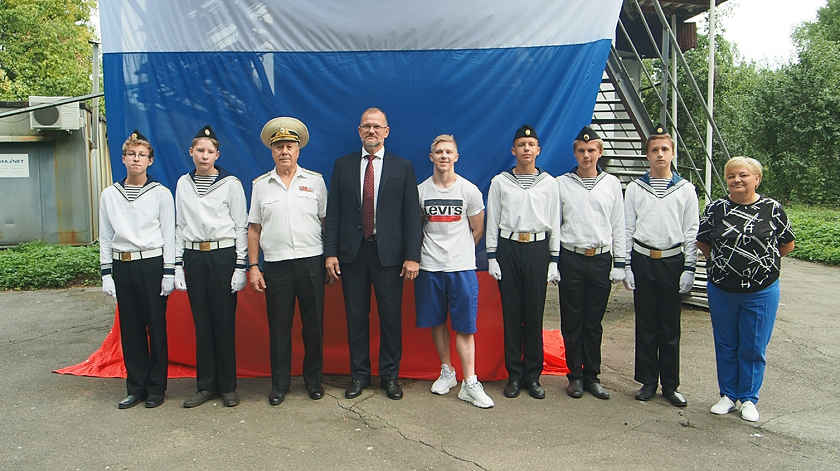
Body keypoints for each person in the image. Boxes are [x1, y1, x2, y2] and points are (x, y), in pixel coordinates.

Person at [323, 107, 422, 401]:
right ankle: (359, 375)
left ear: (386, 132)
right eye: (366, 126)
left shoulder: (402, 167)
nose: (371, 131)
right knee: (356, 317)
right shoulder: (343, 165)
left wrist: (412, 256)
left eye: (377, 126)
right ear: (359, 131)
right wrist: (330, 253)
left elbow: (412, 216)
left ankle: (389, 377)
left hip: (389, 256)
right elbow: (334, 213)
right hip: (352, 254)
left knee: (390, 317)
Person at [697, 156, 795, 422]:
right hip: (722, 290)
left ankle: (749, 399)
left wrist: (760, 264)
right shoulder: (716, 209)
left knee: (753, 346)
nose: (737, 180)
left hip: (761, 291)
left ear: (757, 179)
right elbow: (703, 242)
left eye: (743, 175)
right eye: (731, 176)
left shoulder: (772, 209)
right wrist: (725, 264)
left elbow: (787, 244)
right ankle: (728, 396)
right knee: (726, 344)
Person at [248, 117, 328, 406]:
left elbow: (326, 222)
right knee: (279, 328)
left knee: (313, 326)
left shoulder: (315, 182)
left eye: (289, 146)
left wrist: (329, 259)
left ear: (298, 150)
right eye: (279, 146)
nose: (284, 151)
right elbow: (254, 228)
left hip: (311, 262)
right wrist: (254, 267)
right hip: (277, 265)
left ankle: (314, 382)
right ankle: (279, 385)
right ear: (272, 152)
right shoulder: (261, 186)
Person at [623, 124, 699, 407]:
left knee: (669, 326)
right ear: (647, 155)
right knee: (645, 323)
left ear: (673, 153)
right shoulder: (635, 188)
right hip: (643, 259)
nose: (660, 154)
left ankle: (670, 385)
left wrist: (689, 268)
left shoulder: (685, 189)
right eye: (654, 149)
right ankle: (647, 381)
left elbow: (691, 230)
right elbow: (627, 227)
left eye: (665, 149)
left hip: (672, 262)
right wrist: (626, 265)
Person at [416, 134, 493, 408]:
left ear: (456, 157)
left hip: (461, 268)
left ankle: (469, 382)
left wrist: (460, 253)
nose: (444, 156)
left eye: (448, 152)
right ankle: (447, 372)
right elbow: (418, 227)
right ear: (431, 157)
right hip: (430, 267)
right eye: (439, 152)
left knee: (465, 326)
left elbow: (478, 229)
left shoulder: (469, 190)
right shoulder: (420, 191)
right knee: (437, 322)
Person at [99, 129, 175, 409]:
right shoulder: (110, 195)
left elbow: (169, 234)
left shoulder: (161, 193)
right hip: (123, 264)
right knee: (131, 329)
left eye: (142, 155)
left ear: (150, 161)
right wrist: (106, 272)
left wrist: (169, 272)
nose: (136, 159)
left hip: (151, 263)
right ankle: (136, 387)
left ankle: (156, 388)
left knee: (156, 327)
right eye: (131, 154)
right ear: (123, 158)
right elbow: (105, 235)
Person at [173, 125, 248, 408]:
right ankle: (206, 386)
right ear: (191, 152)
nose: (204, 156)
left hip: (222, 256)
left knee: (223, 322)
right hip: (195, 256)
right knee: (202, 323)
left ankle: (228, 387)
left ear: (218, 155)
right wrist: (177, 265)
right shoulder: (183, 183)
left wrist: (240, 265)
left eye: (210, 151)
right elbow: (180, 225)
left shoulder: (231, 184)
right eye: (200, 151)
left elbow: (240, 226)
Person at [486, 124, 560, 400]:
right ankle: (514, 376)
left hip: (538, 248)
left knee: (534, 314)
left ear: (538, 150)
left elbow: (555, 221)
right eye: (521, 145)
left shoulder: (549, 183)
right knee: (512, 314)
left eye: (530, 145)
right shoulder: (500, 182)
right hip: (509, 247)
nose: (526, 149)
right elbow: (493, 219)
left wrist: (554, 259)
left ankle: (533, 376)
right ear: (513, 150)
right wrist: (492, 255)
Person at [556, 125, 625, 400]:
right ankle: (575, 376)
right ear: (575, 153)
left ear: (600, 152)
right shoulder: (561, 184)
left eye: (591, 150)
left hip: (600, 258)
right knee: (572, 321)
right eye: (582, 151)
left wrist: (620, 262)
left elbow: (618, 224)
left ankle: (593, 376)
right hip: (571, 256)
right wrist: (553, 261)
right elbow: (555, 224)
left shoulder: (611, 183)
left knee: (594, 322)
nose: (586, 155)